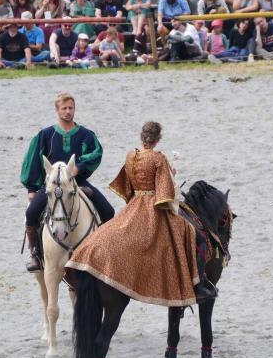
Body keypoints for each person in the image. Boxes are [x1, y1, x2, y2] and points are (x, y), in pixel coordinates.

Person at [65, 121, 215, 305]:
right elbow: (165, 194)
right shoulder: (159, 158)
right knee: (194, 234)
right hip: (153, 208)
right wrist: (172, 175)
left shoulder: (131, 156)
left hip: (135, 204)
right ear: (157, 139)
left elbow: (126, 186)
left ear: (142, 137)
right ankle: (198, 287)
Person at [21, 93, 114, 272]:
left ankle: (103, 251)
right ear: (57, 110)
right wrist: (32, 188)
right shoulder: (46, 135)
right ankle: (35, 255)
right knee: (31, 214)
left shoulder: (86, 134)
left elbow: (96, 152)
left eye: (70, 108)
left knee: (108, 212)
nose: (68, 112)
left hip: (77, 182)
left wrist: (79, 167)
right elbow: (33, 159)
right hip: (52, 185)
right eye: (64, 108)